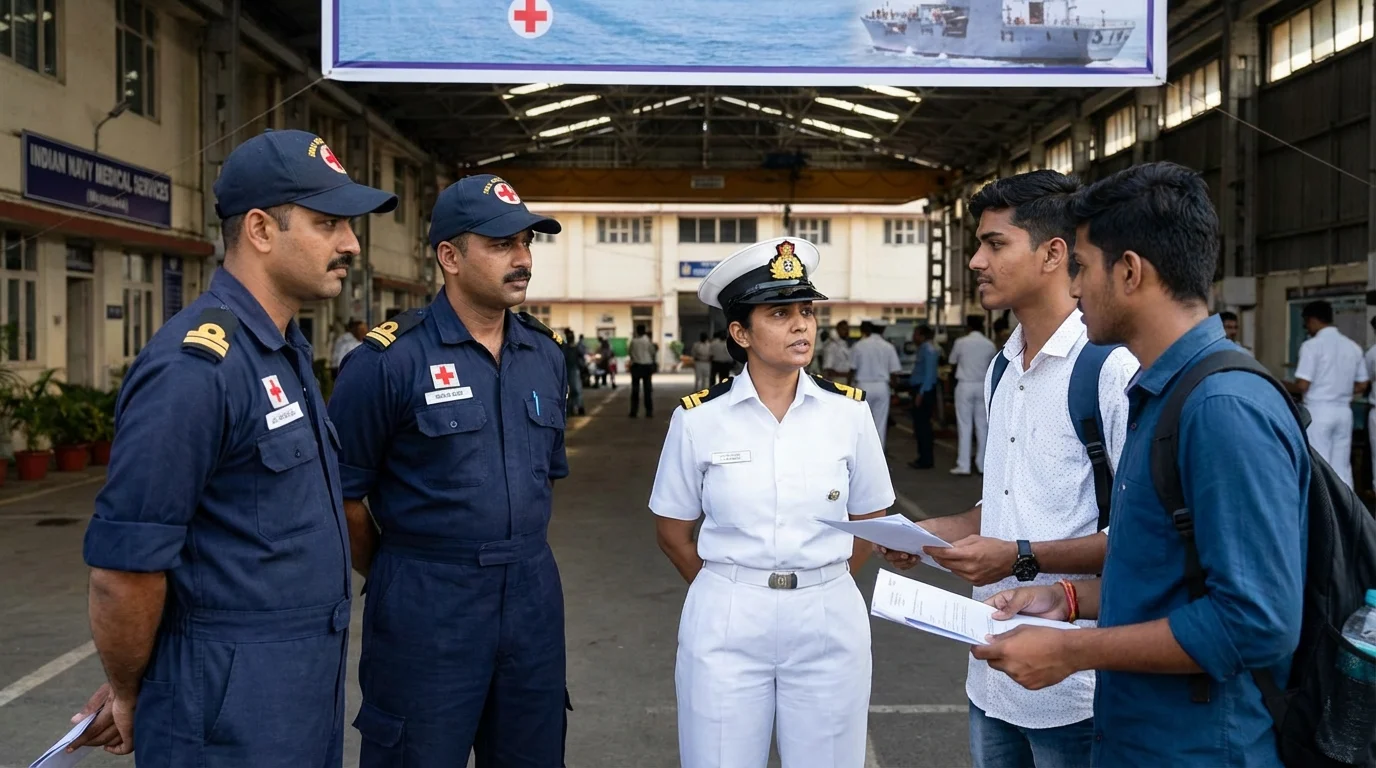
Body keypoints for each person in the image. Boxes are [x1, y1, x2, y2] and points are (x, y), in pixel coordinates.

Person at [69, 129, 396, 764]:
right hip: (225, 701)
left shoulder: (283, 349)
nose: (350, 244)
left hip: (298, 688)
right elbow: (124, 571)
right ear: (260, 230)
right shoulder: (197, 367)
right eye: (328, 223)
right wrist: (129, 689)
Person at [975, 162, 1308, 766]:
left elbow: (1256, 622)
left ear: (1129, 271)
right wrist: (1069, 601)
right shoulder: (1163, 394)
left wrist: (1076, 651)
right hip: (1140, 734)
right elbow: (1163, 573)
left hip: (1201, 744)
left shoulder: (1221, 407)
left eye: (1081, 266)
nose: (1073, 289)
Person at [883, 171, 1138, 768]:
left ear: (1054, 253)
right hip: (991, 671)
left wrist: (1018, 555)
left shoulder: (1107, 371)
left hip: (1076, 684)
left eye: (995, 244)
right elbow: (1002, 502)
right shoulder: (1003, 366)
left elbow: (1140, 540)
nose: (975, 261)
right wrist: (931, 536)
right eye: (978, 244)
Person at [327, 174, 571, 766]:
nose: (522, 259)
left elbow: (545, 477)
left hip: (532, 595)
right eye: (501, 245)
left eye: (527, 243)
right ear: (449, 257)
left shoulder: (543, 354)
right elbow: (342, 498)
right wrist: (397, 569)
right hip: (426, 602)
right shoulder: (386, 362)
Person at [650, 237, 895, 768]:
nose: (802, 325)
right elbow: (672, 531)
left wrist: (823, 582)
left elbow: (870, 517)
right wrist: (733, 589)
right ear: (740, 332)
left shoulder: (848, 414)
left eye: (806, 310)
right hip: (728, 617)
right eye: (780, 313)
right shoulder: (698, 419)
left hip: (828, 614)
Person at [1293, 299, 1368, 490]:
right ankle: (1348, 515)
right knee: (1342, 466)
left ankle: (1324, 515)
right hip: (1344, 412)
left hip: (1318, 412)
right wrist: (1339, 390)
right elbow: (1362, 384)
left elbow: (1302, 384)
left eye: (1306, 323)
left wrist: (1276, 382)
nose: (1306, 328)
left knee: (1319, 463)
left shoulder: (1312, 346)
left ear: (1312, 320)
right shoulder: (1352, 346)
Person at [950, 314, 999, 474]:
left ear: (968, 327)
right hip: (982, 386)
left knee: (964, 425)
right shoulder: (989, 344)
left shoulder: (961, 342)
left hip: (965, 385)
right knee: (982, 426)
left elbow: (952, 362)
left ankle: (964, 465)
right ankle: (982, 464)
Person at [850, 319, 901, 447]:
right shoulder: (888, 347)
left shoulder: (859, 345)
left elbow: (852, 368)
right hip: (881, 386)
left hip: (862, 386)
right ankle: (878, 461)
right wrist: (894, 391)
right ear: (883, 330)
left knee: (860, 424)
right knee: (880, 425)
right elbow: (894, 372)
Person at [908, 324, 940, 470]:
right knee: (919, 426)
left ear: (922, 335)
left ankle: (926, 459)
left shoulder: (928, 350)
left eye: (915, 334)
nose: (913, 337)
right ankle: (922, 456)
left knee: (923, 426)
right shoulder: (923, 349)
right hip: (920, 389)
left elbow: (929, 374)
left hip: (923, 390)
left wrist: (921, 393)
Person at [629, 323, 657, 418]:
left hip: (636, 367)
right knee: (647, 390)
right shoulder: (648, 341)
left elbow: (630, 353)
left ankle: (633, 411)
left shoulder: (634, 341)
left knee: (635, 390)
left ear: (637, 331)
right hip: (647, 367)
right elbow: (653, 352)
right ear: (644, 331)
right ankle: (649, 412)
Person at [821, 320, 853, 384]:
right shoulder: (831, 346)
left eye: (847, 329)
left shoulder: (846, 345)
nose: (846, 331)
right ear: (838, 330)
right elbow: (828, 369)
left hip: (849, 380)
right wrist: (845, 375)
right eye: (844, 329)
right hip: (837, 380)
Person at [564, 327, 586, 417]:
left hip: (574, 370)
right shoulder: (566, 348)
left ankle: (578, 407)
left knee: (576, 390)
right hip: (569, 370)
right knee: (573, 391)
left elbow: (581, 357)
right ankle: (572, 408)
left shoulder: (575, 348)